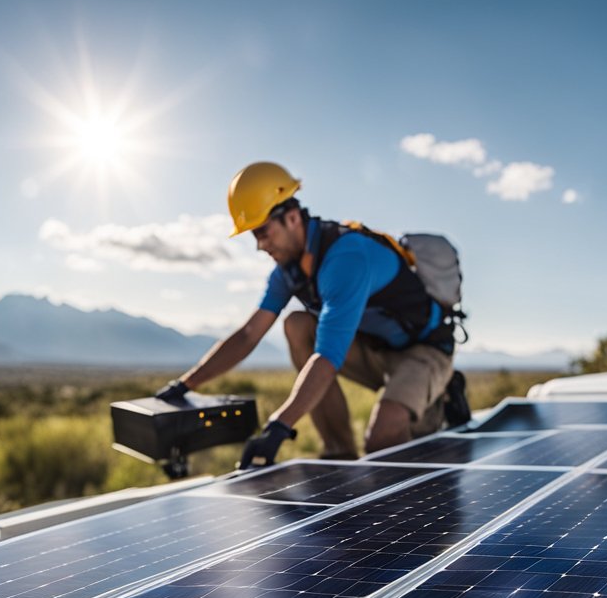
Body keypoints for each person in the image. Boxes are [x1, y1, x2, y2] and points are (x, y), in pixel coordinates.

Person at [157, 161, 463, 469]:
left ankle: (440, 398)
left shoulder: (346, 257)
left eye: (263, 232)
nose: (261, 246)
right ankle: (340, 455)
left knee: (382, 440)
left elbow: (328, 357)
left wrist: (279, 425)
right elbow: (249, 334)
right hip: (376, 350)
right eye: (254, 236)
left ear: (291, 217)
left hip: (425, 350)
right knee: (297, 324)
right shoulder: (286, 274)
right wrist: (184, 385)